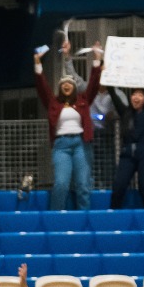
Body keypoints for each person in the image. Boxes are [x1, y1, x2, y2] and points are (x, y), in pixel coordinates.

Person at [34, 40, 104, 212]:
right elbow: (42, 86)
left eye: (70, 83)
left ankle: (84, 219)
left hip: (81, 144)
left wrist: (97, 59)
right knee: (61, 184)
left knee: (83, 185)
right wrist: (37, 62)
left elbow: (94, 84)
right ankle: (56, 219)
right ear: (60, 88)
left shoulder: (83, 100)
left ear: (74, 88)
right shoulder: (53, 103)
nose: (66, 85)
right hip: (61, 146)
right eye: (63, 83)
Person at [110, 87, 144, 210]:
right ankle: (112, 217)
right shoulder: (125, 112)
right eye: (134, 94)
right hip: (127, 153)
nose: (136, 97)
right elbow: (113, 94)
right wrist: (104, 74)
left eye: (140, 95)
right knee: (118, 186)